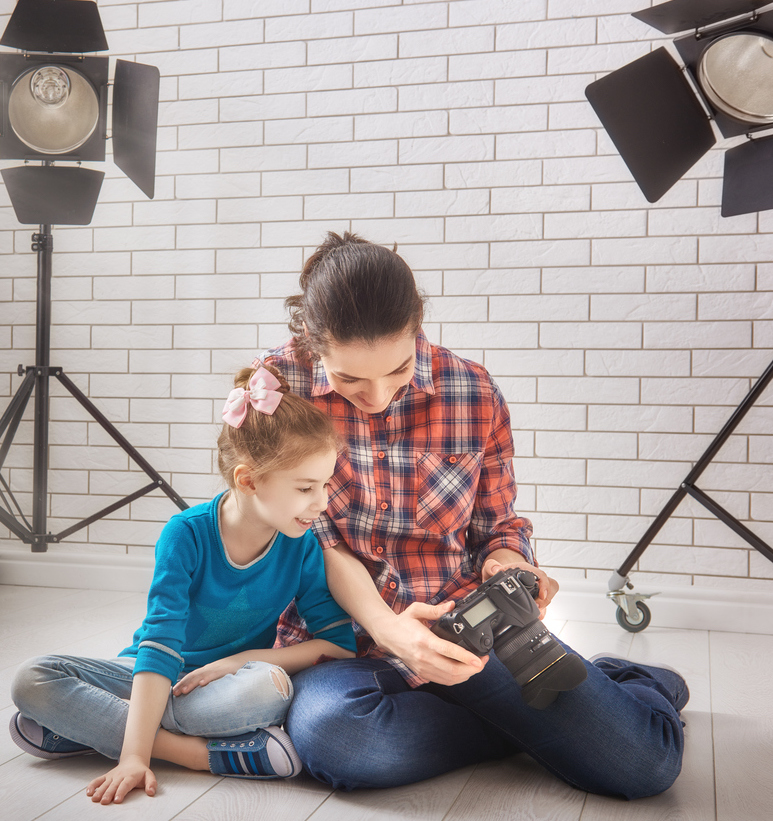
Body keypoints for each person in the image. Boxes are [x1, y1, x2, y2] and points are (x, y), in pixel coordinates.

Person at [258, 231, 688, 799]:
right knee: (337, 739)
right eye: (349, 379)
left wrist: (509, 564)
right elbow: (303, 542)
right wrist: (392, 632)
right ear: (313, 343)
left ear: (417, 328)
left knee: (644, 766)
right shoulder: (276, 390)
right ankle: (543, 723)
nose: (379, 395)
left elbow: (498, 525)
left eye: (397, 369)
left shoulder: (473, 391)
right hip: (342, 640)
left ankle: (631, 684)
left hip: (468, 626)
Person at [9, 364, 356, 805]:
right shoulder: (186, 534)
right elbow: (159, 646)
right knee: (31, 679)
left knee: (269, 686)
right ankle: (192, 754)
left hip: (221, 689)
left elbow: (339, 645)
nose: (322, 503)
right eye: (307, 487)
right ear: (247, 480)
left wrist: (239, 662)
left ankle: (87, 729)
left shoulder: (301, 545)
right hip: (150, 676)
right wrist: (135, 757)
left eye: (325, 484)